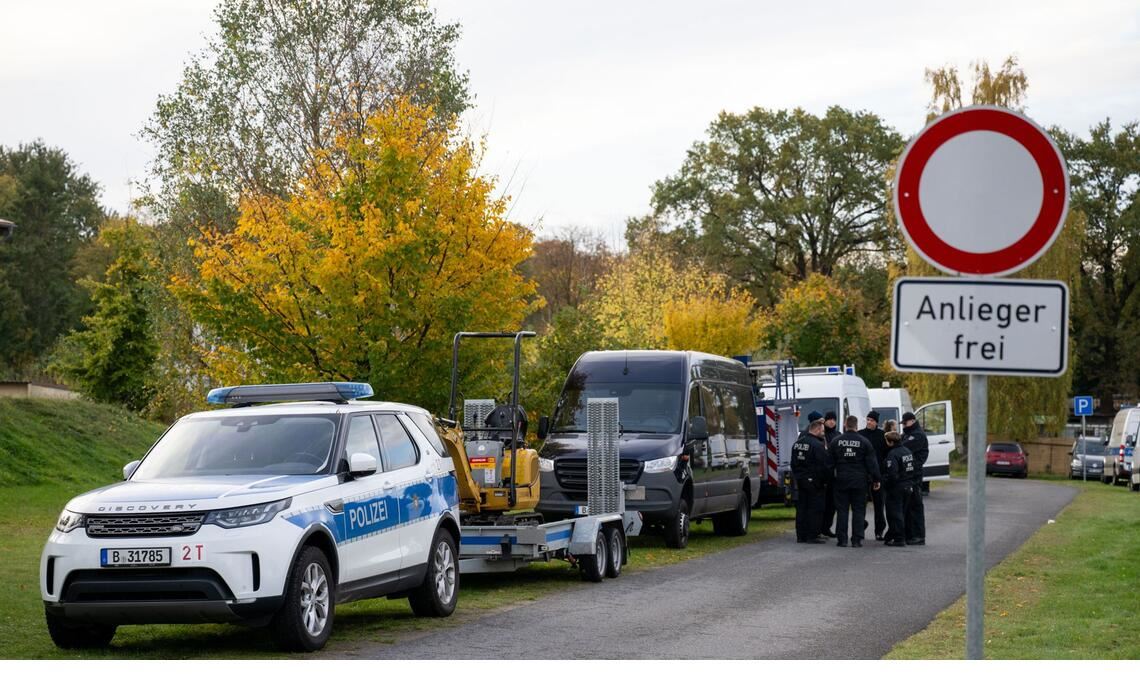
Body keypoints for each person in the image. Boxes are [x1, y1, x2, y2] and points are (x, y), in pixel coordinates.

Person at [829, 415, 881, 547]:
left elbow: (829, 463)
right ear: (857, 426)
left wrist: (829, 479)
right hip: (860, 480)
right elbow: (872, 463)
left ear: (845, 425)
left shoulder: (836, 441)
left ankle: (842, 539)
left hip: (841, 479)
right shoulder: (864, 442)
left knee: (842, 510)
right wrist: (876, 479)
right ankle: (857, 540)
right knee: (859, 510)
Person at [791, 413, 831, 543]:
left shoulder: (797, 444)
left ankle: (801, 535)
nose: (823, 433)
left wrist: (799, 476)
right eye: (822, 431)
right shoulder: (817, 445)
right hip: (815, 482)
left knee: (802, 508)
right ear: (817, 429)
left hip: (800, 480)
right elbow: (823, 465)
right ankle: (812, 535)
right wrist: (825, 481)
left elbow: (793, 464)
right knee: (815, 508)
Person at [881, 430, 918, 546]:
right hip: (908, 485)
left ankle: (899, 539)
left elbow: (892, 474)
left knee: (894, 514)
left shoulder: (893, 454)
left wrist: (885, 483)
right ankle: (894, 536)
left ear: (890, 442)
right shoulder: (907, 451)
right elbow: (914, 468)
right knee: (902, 512)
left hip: (897, 487)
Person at [860, 411, 889, 540]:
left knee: (879, 505)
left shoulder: (882, 436)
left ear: (876, 422)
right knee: (860, 504)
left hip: (878, 474)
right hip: (863, 474)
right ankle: (860, 526)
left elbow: (887, 454)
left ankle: (879, 530)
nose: (869, 422)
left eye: (872, 420)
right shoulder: (860, 434)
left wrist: (883, 472)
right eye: (868, 419)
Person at [901, 412, 928, 545]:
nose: (904, 426)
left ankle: (918, 536)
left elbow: (903, 447)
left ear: (912, 421)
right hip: (908, 474)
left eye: (905, 423)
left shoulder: (917, 435)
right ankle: (910, 534)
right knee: (909, 505)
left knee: (915, 505)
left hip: (915, 474)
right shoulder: (909, 433)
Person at [820, 411, 840, 537]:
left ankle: (827, 527)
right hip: (824, 474)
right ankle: (820, 527)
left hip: (835, 475)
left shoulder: (838, 435)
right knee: (823, 504)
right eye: (829, 419)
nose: (832, 421)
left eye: (834, 419)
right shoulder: (821, 435)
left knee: (832, 505)